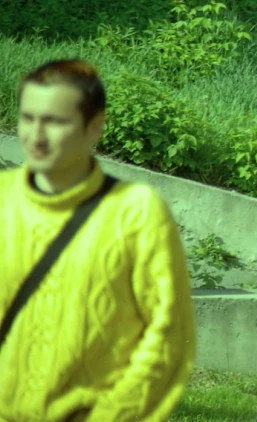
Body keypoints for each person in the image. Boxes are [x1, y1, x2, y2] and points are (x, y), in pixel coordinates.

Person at [0, 58, 196, 421]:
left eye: (55, 121)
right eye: (28, 118)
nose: (36, 135)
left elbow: (168, 336)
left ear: (94, 128)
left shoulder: (136, 214)